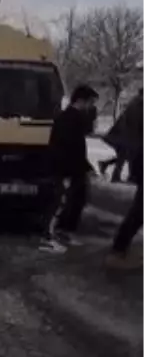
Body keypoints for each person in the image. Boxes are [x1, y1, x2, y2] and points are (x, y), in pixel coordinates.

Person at [45, 84, 99, 248]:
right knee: (69, 202)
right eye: (90, 103)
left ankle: (62, 233)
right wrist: (84, 167)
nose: (91, 107)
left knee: (73, 201)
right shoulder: (71, 119)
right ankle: (60, 234)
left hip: (70, 167)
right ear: (82, 101)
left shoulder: (66, 117)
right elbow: (72, 147)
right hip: (69, 168)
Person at [108, 89, 144, 268]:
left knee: (139, 211)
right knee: (139, 212)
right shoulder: (140, 106)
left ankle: (118, 249)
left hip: (139, 161)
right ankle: (118, 250)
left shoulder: (136, 103)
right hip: (142, 161)